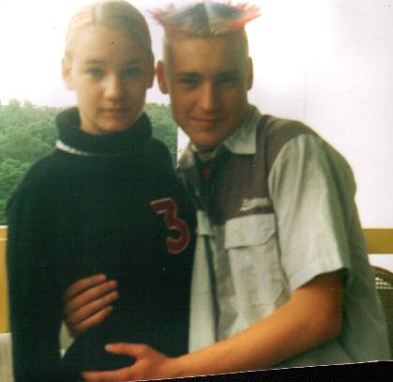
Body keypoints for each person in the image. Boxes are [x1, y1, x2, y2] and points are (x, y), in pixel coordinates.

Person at [64, 2, 390, 381]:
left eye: (226, 79)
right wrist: (83, 309)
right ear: (163, 78)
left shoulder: (291, 151)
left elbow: (318, 313)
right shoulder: (178, 182)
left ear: (249, 75)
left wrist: (175, 371)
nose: (208, 102)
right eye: (190, 81)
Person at [5, 1, 195, 381]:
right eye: (95, 71)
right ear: (67, 72)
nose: (114, 90)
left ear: (152, 73)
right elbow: (32, 351)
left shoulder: (168, 168)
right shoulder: (42, 190)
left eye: (130, 70)